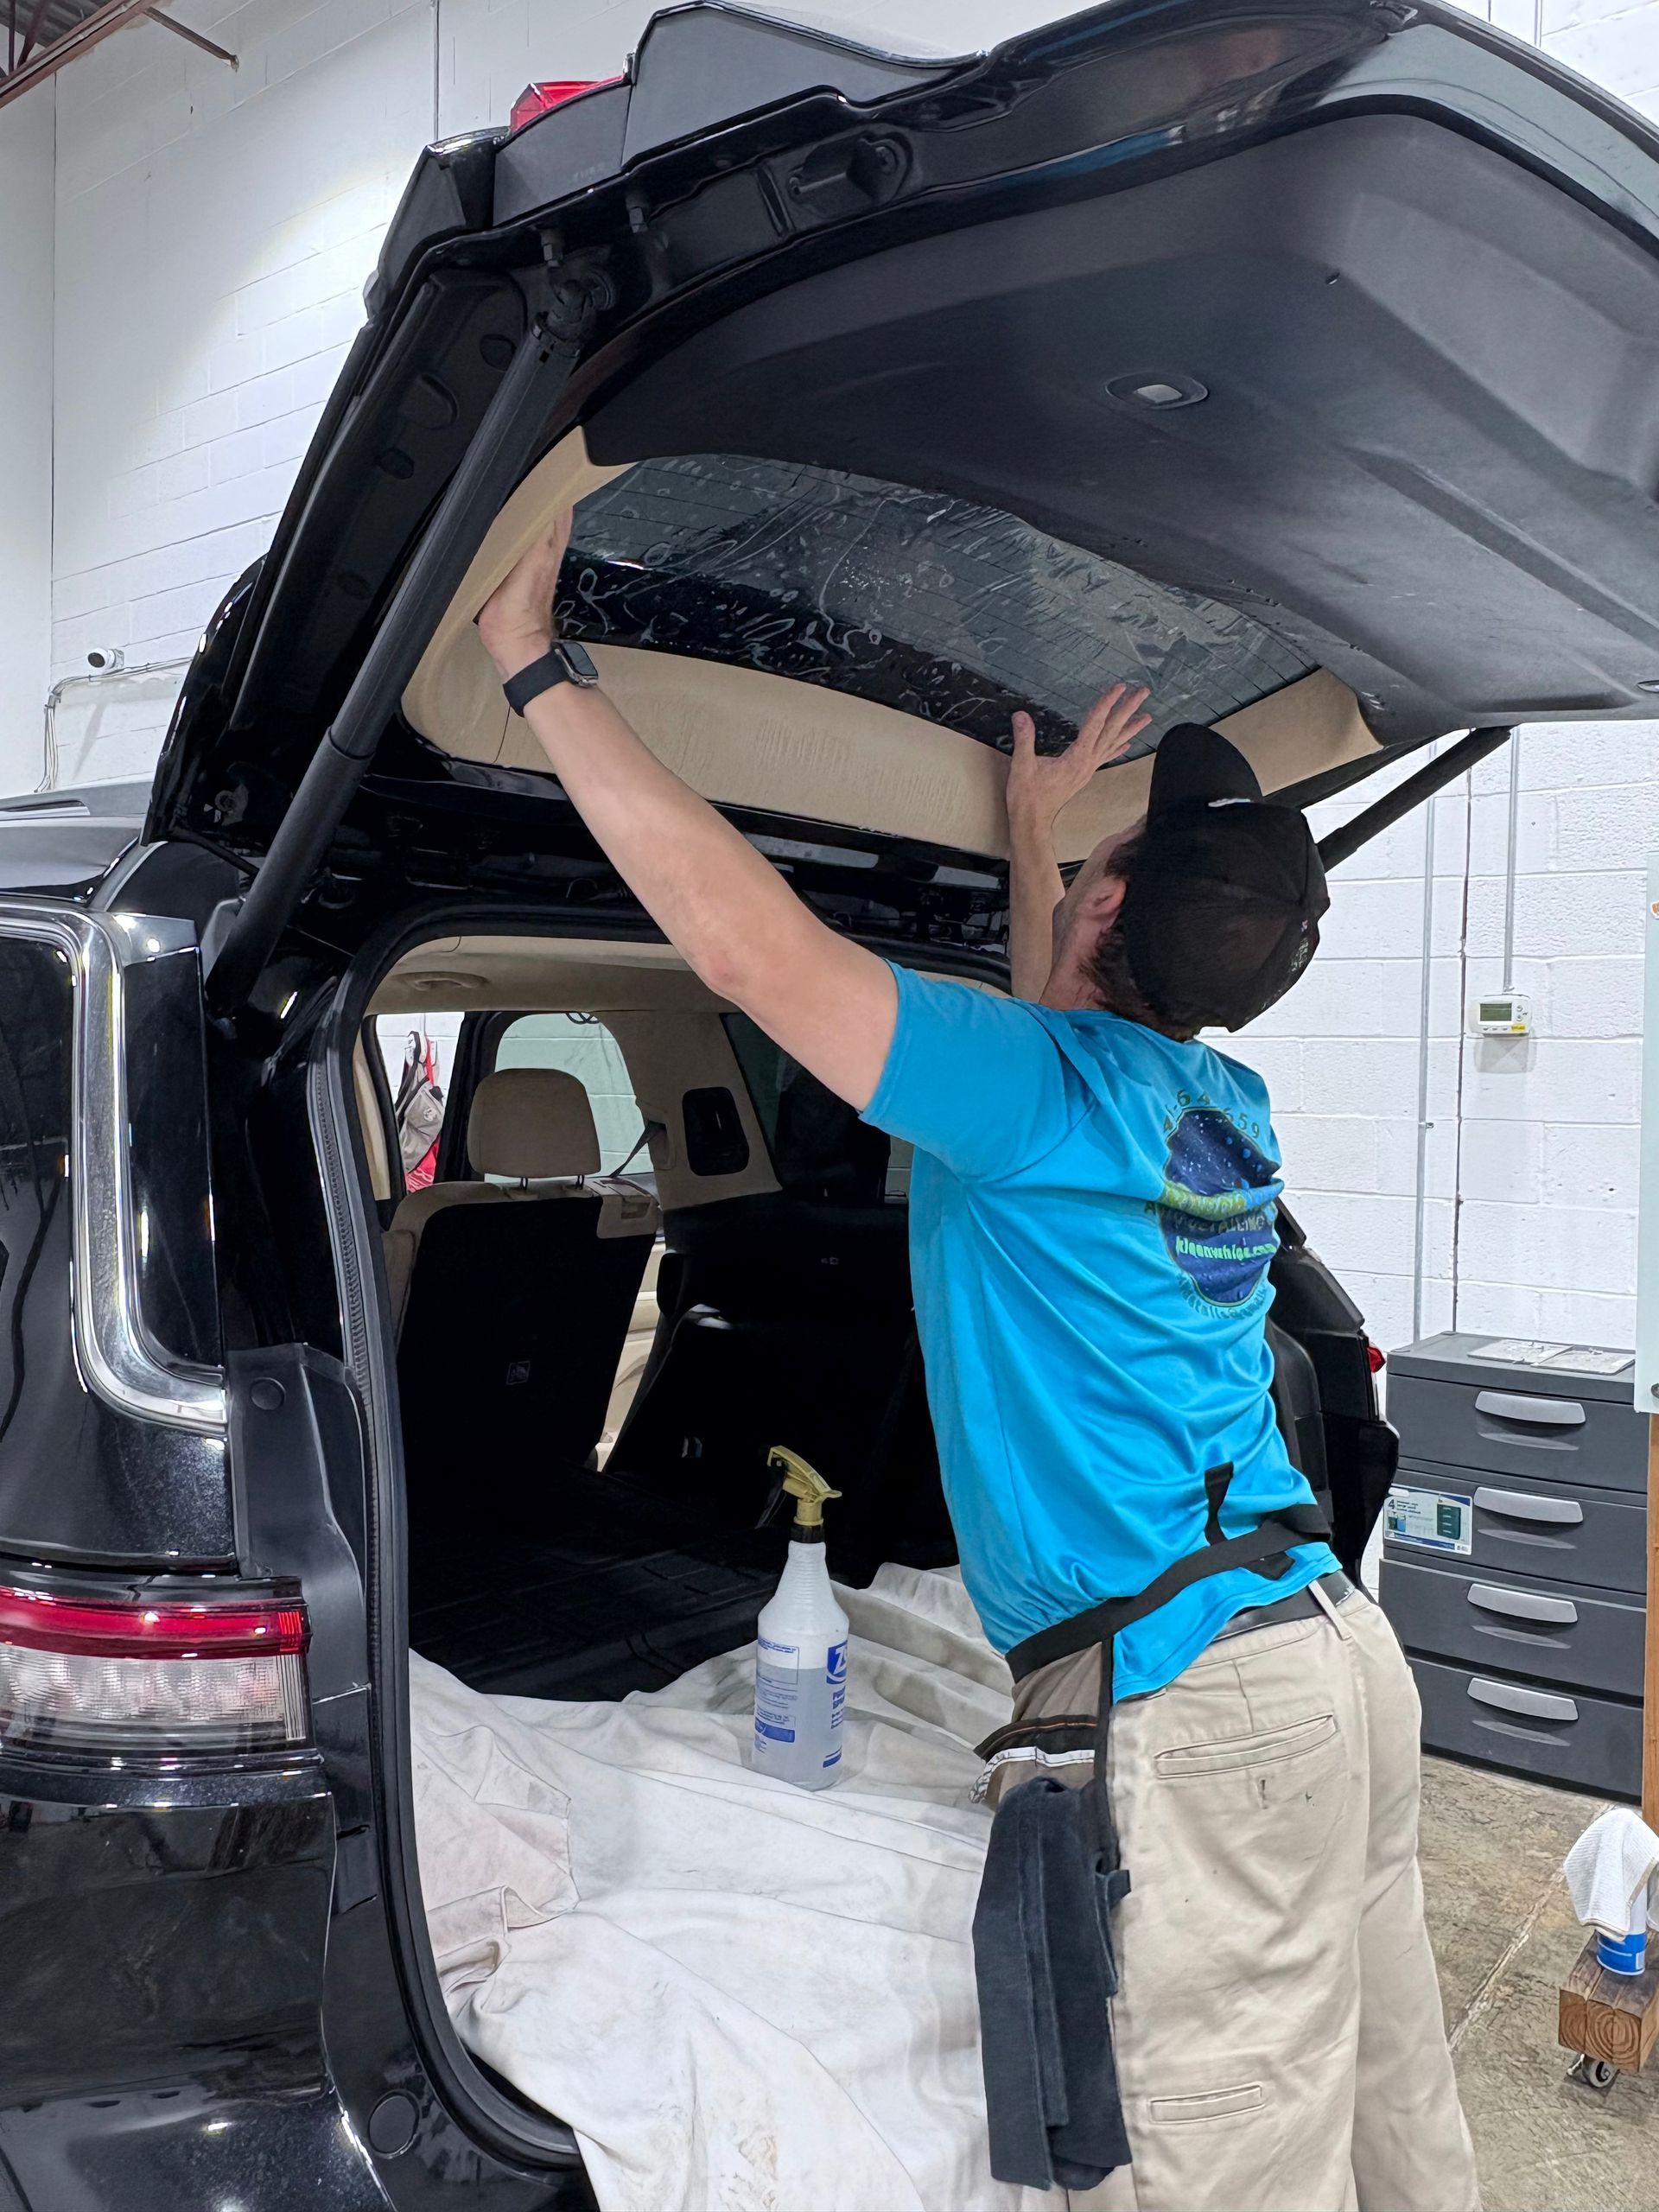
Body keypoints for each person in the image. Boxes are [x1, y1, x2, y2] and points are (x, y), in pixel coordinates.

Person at [477, 517, 1480, 2212]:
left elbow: (741, 947)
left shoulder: (1038, 1094)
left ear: (1108, 911)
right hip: (1332, 1661)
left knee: (1220, 2156)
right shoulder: (1211, 1109)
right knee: (1393, 2114)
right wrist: (1039, 835)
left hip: (1206, 1704)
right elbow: (1055, 1009)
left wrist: (534, 664)